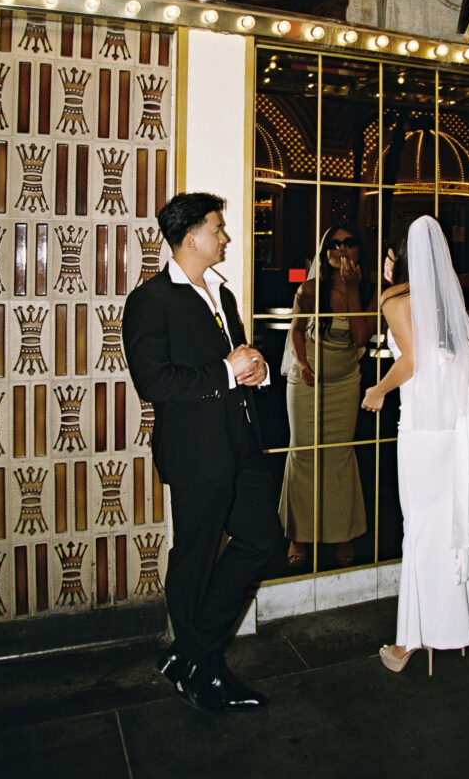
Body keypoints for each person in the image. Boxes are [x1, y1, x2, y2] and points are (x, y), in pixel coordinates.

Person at [122, 192, 281, 714]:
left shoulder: (223, 295)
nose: (225, 237)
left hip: (242, 444)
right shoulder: (151, 300)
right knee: (193, 559)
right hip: (195, 453)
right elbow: (153, 382)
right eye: (217, 228)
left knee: (262, 540)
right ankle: (203, 673)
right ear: (191, 237)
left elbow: (235, 366)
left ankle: (189, 654)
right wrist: (227, 373)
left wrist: (253, 370)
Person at [361, 216, 469, 675]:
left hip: (431, 422)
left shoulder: (393, 296)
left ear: (397, 256)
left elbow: (414, 359)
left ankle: (410, 642)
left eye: (386, 252)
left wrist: (377, 390)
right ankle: (458, 628)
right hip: (465, 415)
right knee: (453, 520)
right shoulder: (444, 293)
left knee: (422, 523)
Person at [279, 224, 375, 569]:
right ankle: (298, 534)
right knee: (304, 454)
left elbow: (361, 337)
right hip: (307, 380)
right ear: (324, 252)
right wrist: (302, 364)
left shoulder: (367, 290)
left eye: (349, 243)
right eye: (334, 245)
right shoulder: (308, 288)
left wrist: (350, 290)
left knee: (338, 456)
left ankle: (341, 532)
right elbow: (296, 330)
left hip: (345, 381)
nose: (341, 249)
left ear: (358, 250)